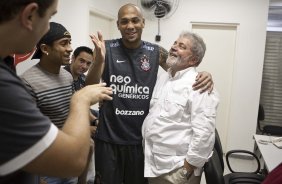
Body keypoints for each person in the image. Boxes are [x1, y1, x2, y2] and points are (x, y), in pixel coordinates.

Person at [86, 4, 213, 184]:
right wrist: (99, 60)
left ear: (143, 22)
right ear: (118, 25)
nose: (130, 26)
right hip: (109, 139)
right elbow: (88, 86)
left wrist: (204, 73)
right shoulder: (106, 48)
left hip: (141, 143)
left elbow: (181, 70)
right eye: (124, 22)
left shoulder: (156, 53)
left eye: (135, 20)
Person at [0, 1, 113, 184]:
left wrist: (99, 60)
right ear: (30, 15)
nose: (70, 48)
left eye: (70, 43)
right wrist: (80, 101)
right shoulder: (24, 82)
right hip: (49, 165)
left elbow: (85, 90)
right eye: (50, 17)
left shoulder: (66, 76)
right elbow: (71, 160)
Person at [142, 31, 219, 184]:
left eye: (182, 46)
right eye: (175, 43)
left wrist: (186, 170)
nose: (174, 47)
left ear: (194, 59)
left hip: (176, 170)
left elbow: (204, 134)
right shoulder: (165, 78)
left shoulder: (199, 86)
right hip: (153, 164)